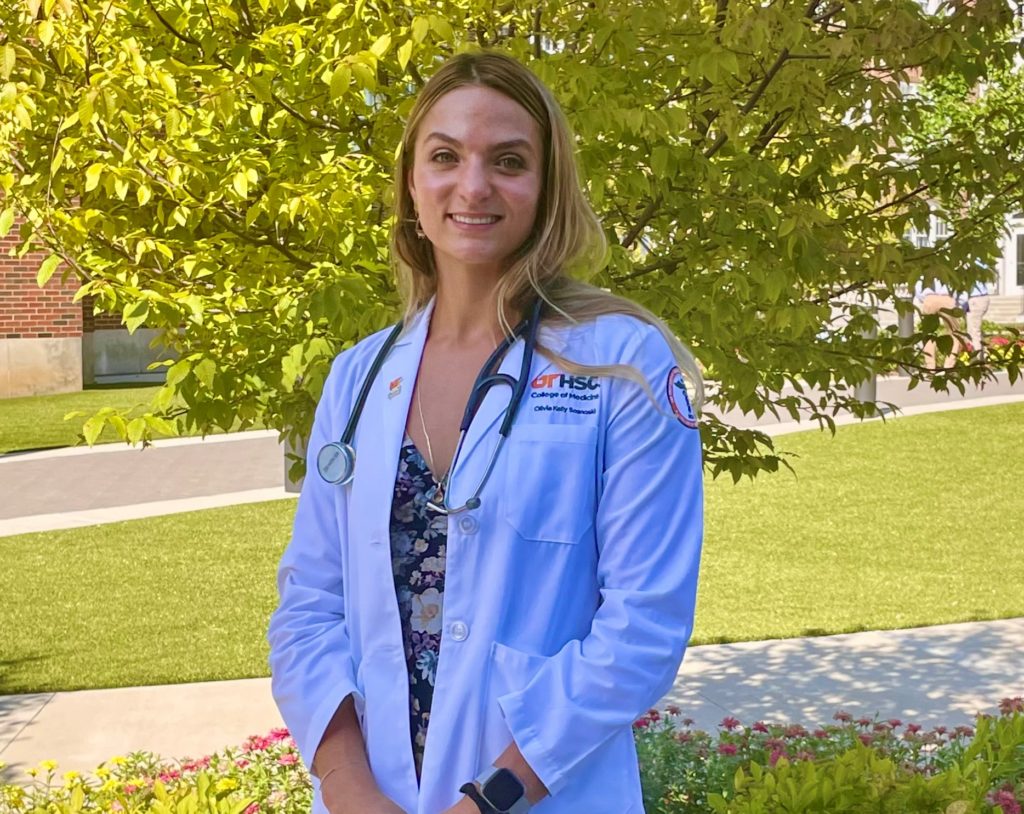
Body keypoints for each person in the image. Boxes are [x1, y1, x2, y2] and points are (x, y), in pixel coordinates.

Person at [267, 51, 704, 814]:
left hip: (542, 798)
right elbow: (309, 605)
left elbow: (642, 628)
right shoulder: (359, 376)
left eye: (508, 161)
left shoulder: (622, 367)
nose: (473, 187)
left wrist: (488, 801)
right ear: (412, 181)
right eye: (445, 157)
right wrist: (346, 788)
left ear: (546, 187)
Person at [914, 278, 966, 369]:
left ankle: (930, 366)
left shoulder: (926, 267)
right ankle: (949, 365)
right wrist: (960, 302)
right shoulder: (951, 267)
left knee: (928, 333)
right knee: (955, 333)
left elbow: (918, 288)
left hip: (929, 297)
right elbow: (960, 286)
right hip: (947, 298)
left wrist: (924, 298)